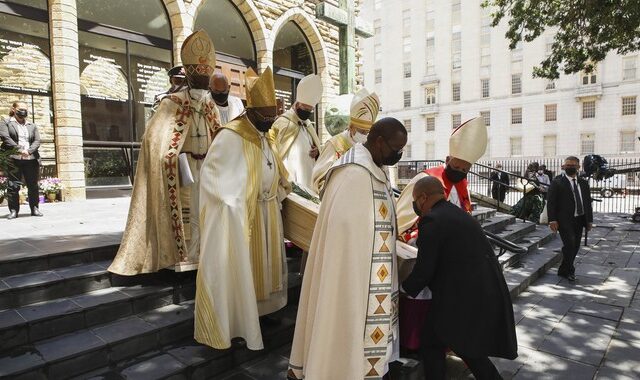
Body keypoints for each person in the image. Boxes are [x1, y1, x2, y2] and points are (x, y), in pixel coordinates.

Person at [288, 117, 407, 380]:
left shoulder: (375, 169)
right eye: (396, 149)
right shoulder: (353, 174)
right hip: (352, 281)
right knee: (344, 327)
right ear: (378, 142)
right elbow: (345, 242)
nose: (398, 155)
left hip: (372, 278)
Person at [195, 66, 291, 351]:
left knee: (267, 265)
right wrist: (233, 201)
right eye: (265, 117)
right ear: (250, 111)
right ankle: (243, 320)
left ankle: (264, 311)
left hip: (268, 212)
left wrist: (283, 186)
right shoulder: (230, 135)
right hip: (242, 216)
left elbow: (276, 168)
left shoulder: (266, 134)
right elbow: (212, 178)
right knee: (246, 265)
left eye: (273, 117)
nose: (270, 123)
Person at [108, 30, 219, 275]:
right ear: (189, 76)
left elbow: (218, 137)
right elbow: (154, 140)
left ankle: (203, 255)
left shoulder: (210, 105)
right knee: (186, 214)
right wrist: (170, 156)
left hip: (207, 170)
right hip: (182, 169)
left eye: (206, 79)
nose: (204, 85)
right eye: (199, 80)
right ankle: (183, 260)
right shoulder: (172, 103)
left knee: (205, 214)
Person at [403, 176, 518, 380]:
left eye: (415, 200)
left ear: (422, 197)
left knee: (458, 346)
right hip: (475, 291)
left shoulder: (432, 220)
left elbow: (424, 269)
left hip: (460, 299)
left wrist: (403, 289)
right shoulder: (456, 214)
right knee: (445, 342)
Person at [394, 117, 487, 351]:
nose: (460, 172)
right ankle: (414, 342)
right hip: (423, 246)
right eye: (456, 167)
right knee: (421, 295)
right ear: (447, 160)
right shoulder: (428, 179)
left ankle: (440, 343)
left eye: (465, 169)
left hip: (450, 257)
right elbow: (405, 214)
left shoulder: (462, 185)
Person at [311, 87, 379, 193]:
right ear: (351, 127)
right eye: (362, 132)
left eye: (368, 132)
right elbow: (318, 179)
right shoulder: (335, 145)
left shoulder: (371, 148)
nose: (365, 136)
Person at [270, 73, 322, 196]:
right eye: (305, 108)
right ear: (297, 104)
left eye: (310, 110)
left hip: (307, 178)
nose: (307, 112)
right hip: (289, 180)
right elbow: (273, 151)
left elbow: (317, 149)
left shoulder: (308, 125)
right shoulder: (282, 123)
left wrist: (317, 152)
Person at [547, 156, 593, 282]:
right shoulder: (557, 182)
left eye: (573, 165)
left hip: (580, 219)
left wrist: (589, 220)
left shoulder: (583, 183)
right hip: (564, 220)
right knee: (570, 244)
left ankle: (563, 269)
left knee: (576, 246)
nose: (569, 167)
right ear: (563, 167)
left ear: (578, 167)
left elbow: (587, 202)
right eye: (567, 165)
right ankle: (569, 270)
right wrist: (552, 220)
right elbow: (551, 203)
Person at [0, 101, 43, 219]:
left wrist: (28, 151)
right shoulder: (6, 122)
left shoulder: (32, 125)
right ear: (13, 109)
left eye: (25, 108)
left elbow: (37, 141)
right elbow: (5, 138)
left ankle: (35, 208)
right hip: (13, 158)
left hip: (31, 158)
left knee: (33, 185)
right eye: (20, 108)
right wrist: (20, 150)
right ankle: (13, 210)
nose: (23, 110)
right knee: (13, 185)